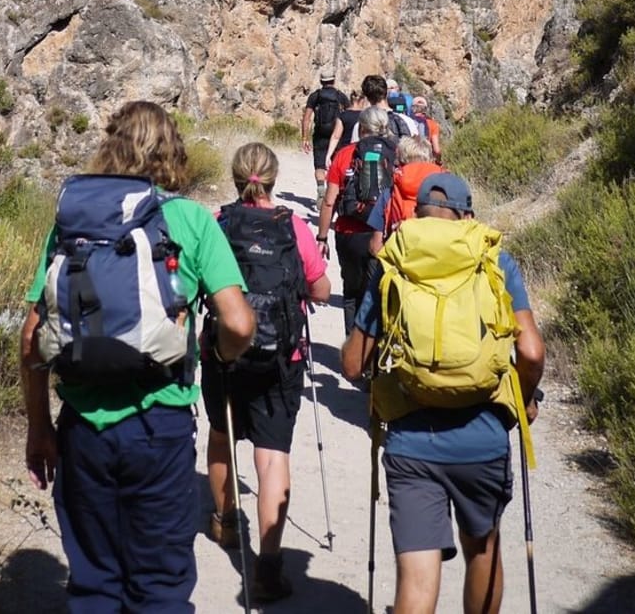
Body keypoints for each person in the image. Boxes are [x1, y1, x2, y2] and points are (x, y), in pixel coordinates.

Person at [20, 101, 256, 613]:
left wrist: (40, 428)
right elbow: (239, 323)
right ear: (172, 153)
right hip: (160, 425)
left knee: (94, 583)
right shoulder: (189, 220)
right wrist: (217, 352)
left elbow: (31, 339)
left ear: (110, 146)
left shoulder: (71, 222)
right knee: (160, 586)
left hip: (82, 427)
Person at [341, 173, 545, 614]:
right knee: (483, 551)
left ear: (417, 215)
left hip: (411, 440)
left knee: (415, 580)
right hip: (483, 435)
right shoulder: (495, 260)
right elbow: (530, 351)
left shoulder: (394, 262)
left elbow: (354, 365)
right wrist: (523, 400)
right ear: (466, 215)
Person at [202, 142, 331, 603]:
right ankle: (268, 567)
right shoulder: (292, 226)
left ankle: (225, 523)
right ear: (273, 179)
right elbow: (320, 290)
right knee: (272, 454)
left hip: (223, 354)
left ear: (236, 178)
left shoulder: (218, 224)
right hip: (281, 360)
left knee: (221, 434)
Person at [317, 107, 394, 334]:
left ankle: (352, 357)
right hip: (380, 234)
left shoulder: (345, 154)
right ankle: (372, 357)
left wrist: (322, 237)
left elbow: (329, 201)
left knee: (351, 294)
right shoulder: (395, 154)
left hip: (348, 233)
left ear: (361, 128)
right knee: (378, 293)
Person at [366, 135, 440, 257]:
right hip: (436, 263)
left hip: (401, 265)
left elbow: (375, 248)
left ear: (400, 160)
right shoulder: (444, 191)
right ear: (430, 160)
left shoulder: (389, 193)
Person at [301, 68, 349, 201]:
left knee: (320, 165)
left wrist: (304, 138)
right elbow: (348, 116)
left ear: (321, 81)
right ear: (334, 80)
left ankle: (321, 187)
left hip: (320, 135)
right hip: (337, 136)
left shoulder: (315, 96)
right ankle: (332, 194)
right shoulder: (341, 97)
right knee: (335, 165)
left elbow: (307, 118)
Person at [364, 74, 413, 139]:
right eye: (391, 88)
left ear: (367, 98)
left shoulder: (363, 124)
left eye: (395, 88)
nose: (393, 91)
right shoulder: (407, 121)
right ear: (386, 92)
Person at [326, 91, 366, 164]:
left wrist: (328, 155)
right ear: (362, 100)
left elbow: (336, 136)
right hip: (362, 151)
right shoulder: (366, 116)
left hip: (345, 151)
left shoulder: (343, 115)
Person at [410, 96, 442, 164]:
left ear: (412, 108)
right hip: (426, 160)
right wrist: (439, 161)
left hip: (411, 160)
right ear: (425, 109)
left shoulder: (407, 121)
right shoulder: (432, 124)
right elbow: (437, 150)